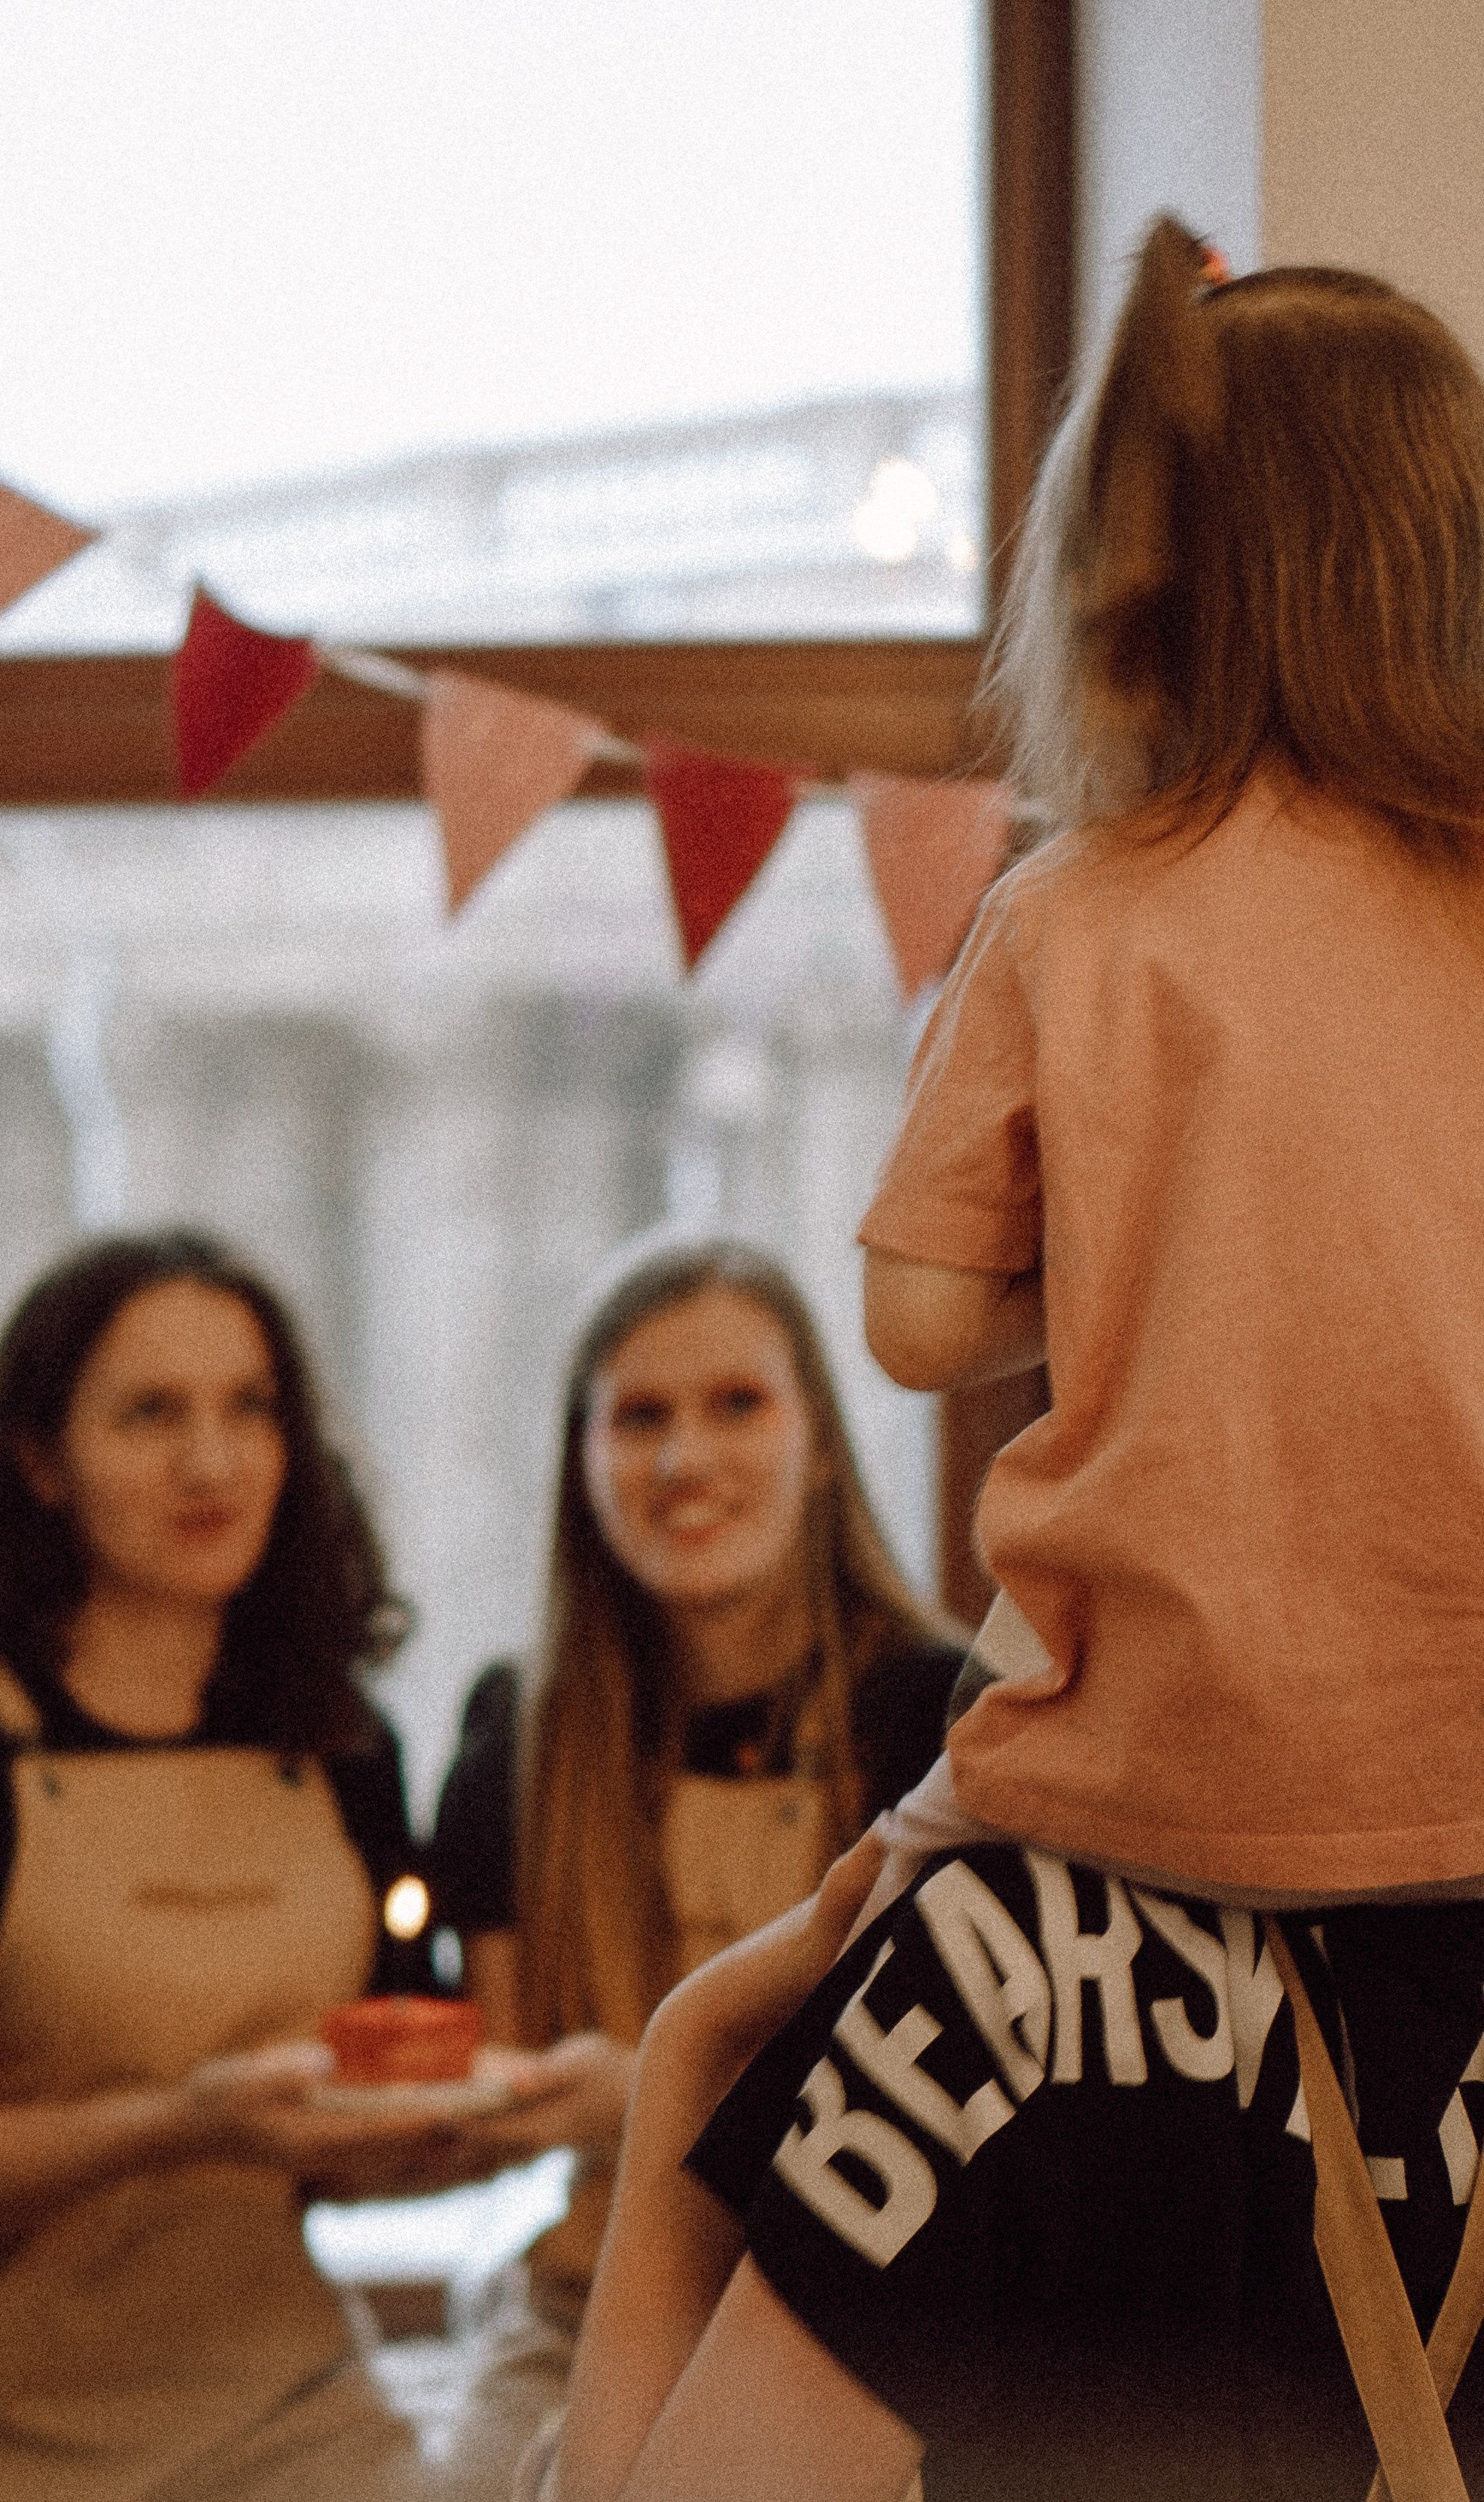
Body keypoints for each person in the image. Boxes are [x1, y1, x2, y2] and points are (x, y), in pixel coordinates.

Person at [528, 223, 1484, 2500]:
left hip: (1113, 1848)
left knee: (716, 2065)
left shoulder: (1077, 910)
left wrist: (1159, 1246)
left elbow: (918, 1320)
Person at [0, 1229, 465, 2502]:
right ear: (39, 1461)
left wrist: (467, 2127)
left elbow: (344, 2141)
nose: (211, 1462)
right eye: (151, 1413)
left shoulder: (342, 1746)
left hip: (282, 2407)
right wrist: (186, 2122)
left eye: (249, 1407)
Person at [426, 1233, 966, 2498]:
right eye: (639, 1418)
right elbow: (499, 2088)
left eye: (737, 1404)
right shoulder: (515, 1742)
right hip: (580, 2316)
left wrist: (644, 2099)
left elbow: (970, 2123)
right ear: (581, 1461)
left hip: (863, 2335)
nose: (684, 1461)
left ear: (821, 1442)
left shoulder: (943, 1720)